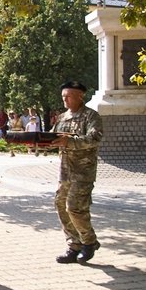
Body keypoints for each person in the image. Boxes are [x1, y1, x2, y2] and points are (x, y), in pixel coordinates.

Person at [51, 81, 104, 264]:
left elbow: (95, 138)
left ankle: (89, 242)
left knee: (74, 207)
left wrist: (70, 142)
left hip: (83, 171)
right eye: (63, 96)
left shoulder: (91, 116)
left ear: (80, 96)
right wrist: (37, 142)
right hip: (65, 171)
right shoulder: (62, 117)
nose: (65, 99)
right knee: (59, 203)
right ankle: (74, 244)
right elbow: (53, 136)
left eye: (69, 96)